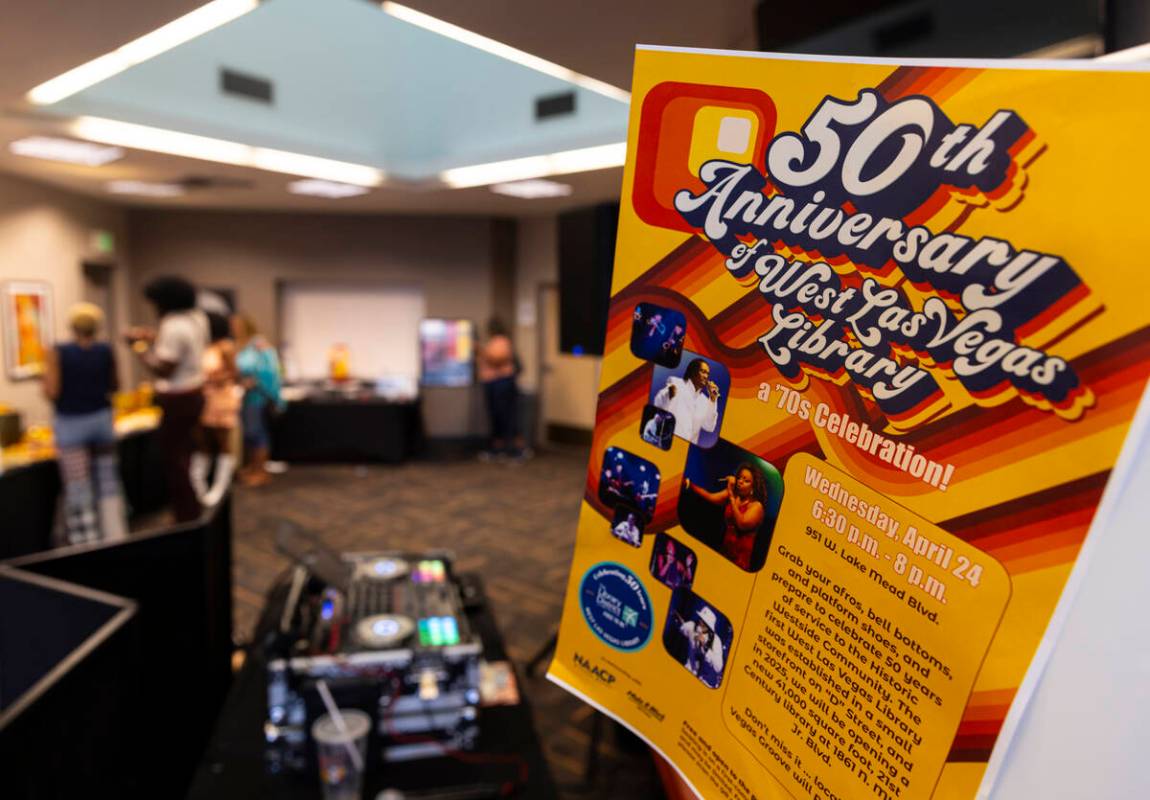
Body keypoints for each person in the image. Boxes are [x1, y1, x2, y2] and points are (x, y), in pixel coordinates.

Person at [41, 303, 127, 544]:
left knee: (77, 484)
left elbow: (53, 390)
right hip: (101, 420)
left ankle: (85, 540)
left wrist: (44, 382)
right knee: (108, 481)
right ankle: (114, 534)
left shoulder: (58, 351)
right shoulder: (105, 350)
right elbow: (115, 385)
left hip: (72, 423)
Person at [128, 276, 208, 523]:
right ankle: (190, 507)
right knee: (184, 454)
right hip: (195, 392)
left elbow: (164, 369)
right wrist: (153, 338)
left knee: (174, 459)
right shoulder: (196, 318)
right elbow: (182, 348)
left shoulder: (173, 326)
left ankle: (186, 515)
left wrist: (138, 347)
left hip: (178, 397)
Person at [191, 313, 240, 507]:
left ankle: (220, 488)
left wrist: (210, 380)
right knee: (202, 442)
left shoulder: (225, 347)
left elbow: (233, 374)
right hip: (204, 399)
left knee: (222, 442)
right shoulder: (204, 347)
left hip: (220, 399)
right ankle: (199, 485)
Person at [684, 463, 768, 570]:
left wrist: (731, 496)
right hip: (725, 549)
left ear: (753, 488)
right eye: (740, 478)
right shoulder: (734, 494)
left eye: (746, 481)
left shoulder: (757, 506)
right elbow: (710, 496)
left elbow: (741, 523)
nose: (740, 481)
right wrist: (689, 483)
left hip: (740, 558)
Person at [232, 313, 282, 487]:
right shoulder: (240, 345)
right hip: (243, 397)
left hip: (259, 395)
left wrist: (255, 382)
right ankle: (253, 468)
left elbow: (270, 369)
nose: (234, 328)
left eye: (238, 325)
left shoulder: (259, 343)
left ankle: (261, 472)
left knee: (257, 432)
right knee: (249, 435)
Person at [477, 317, 528, 460]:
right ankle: (498, 449)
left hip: (502, 383)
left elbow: (497, 361)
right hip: (493, 384)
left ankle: (519, 449)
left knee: (507, 416)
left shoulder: (501, 341)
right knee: (496, 418)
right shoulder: (493, 342)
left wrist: (481, 352)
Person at [653, 357, 720, 444]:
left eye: (707, 374)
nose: (706, 376)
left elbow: (709, 427)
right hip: (666, 443)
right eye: (703, 372)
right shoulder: (676, 384)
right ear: (693, 371)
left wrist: (713, 400)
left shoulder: (704, 401)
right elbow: (658, 402)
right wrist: (668, 394)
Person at [677, 606, 725, 682]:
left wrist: (705, 647)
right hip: (688, 672)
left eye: (704, 622)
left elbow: (718, 667)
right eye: (700, 619)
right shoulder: (692, 626)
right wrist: (678, 619)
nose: (701, 622)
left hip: (703, 681)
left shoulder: (716, 641)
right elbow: (682, 627)